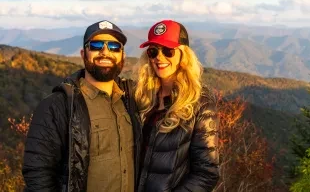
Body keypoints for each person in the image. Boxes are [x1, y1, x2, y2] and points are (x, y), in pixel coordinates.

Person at [22, 20, 142, 192]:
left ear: (123, 56)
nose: (105, 52)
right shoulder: (58, 106)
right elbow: (37, 173)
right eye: (96, 45)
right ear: (83, 53)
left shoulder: (131, 100)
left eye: (114, 47)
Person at [134, 20, 220, 192]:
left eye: (168, 51)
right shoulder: (141, 96)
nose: (159, 57)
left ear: (184, 55)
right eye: (153, 51)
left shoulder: (200, 102)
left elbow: (207, 173)